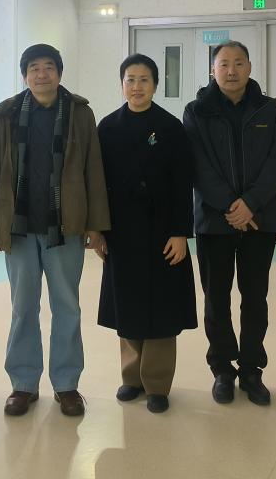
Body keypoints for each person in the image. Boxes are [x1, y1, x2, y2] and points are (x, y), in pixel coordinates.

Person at [0, 43, 110, 417]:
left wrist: (96, 224)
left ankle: (67, 385)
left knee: (67, 306)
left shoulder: (80, 113)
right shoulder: (5, 115)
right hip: (19, 228)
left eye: (48, 67)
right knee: (23, 308)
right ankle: (23, 384)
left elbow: (94, 168)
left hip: (65, 227)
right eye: (34, 68)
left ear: (59, 73)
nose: (41, 74)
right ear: (25, 75)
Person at [183, 41, 276, 406]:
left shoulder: (269, 109)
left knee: (255, 298)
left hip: (260, 220)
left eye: (239, 63)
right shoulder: (196, 111)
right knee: (216, 298)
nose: (231, 70)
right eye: (224, 63)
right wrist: (231, 205)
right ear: (212, 69)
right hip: (214, 221)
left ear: (249, 67)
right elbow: (197, 165)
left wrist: (251, 204)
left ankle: (252, 370)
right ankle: (222, 370)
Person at [96, 54, 197, 414]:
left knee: (160, 307)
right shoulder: (107, 127)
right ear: (121, 84)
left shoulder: (171, 127)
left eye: (144, 80)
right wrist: (98, 229)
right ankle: (131, 378)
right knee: (126, 304)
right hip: (121, 232)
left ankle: (156, 383)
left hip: (162, 232)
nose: (136, 87)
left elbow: (183, 184)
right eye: (130, 79)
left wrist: (180, 232)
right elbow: (97, 183)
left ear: (155, 85)